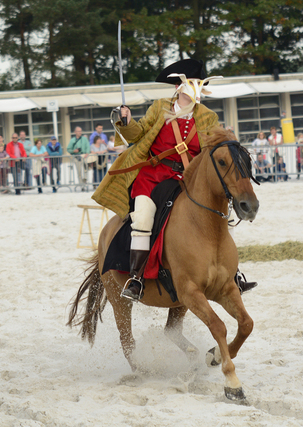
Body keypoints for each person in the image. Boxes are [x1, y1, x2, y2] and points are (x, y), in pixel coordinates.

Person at [93, 58, 256, 301]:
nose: (197, 89)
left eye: (200, 84)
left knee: (217, 218)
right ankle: (136, 278)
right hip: (153, 178)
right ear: (181, 85)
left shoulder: (207, 116)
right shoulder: (160, 107)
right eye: (193, 83)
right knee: (143, 217)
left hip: (186, 179)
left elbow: (215, 145)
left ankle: (232, 275)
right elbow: (139, 134)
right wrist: (126, 122)